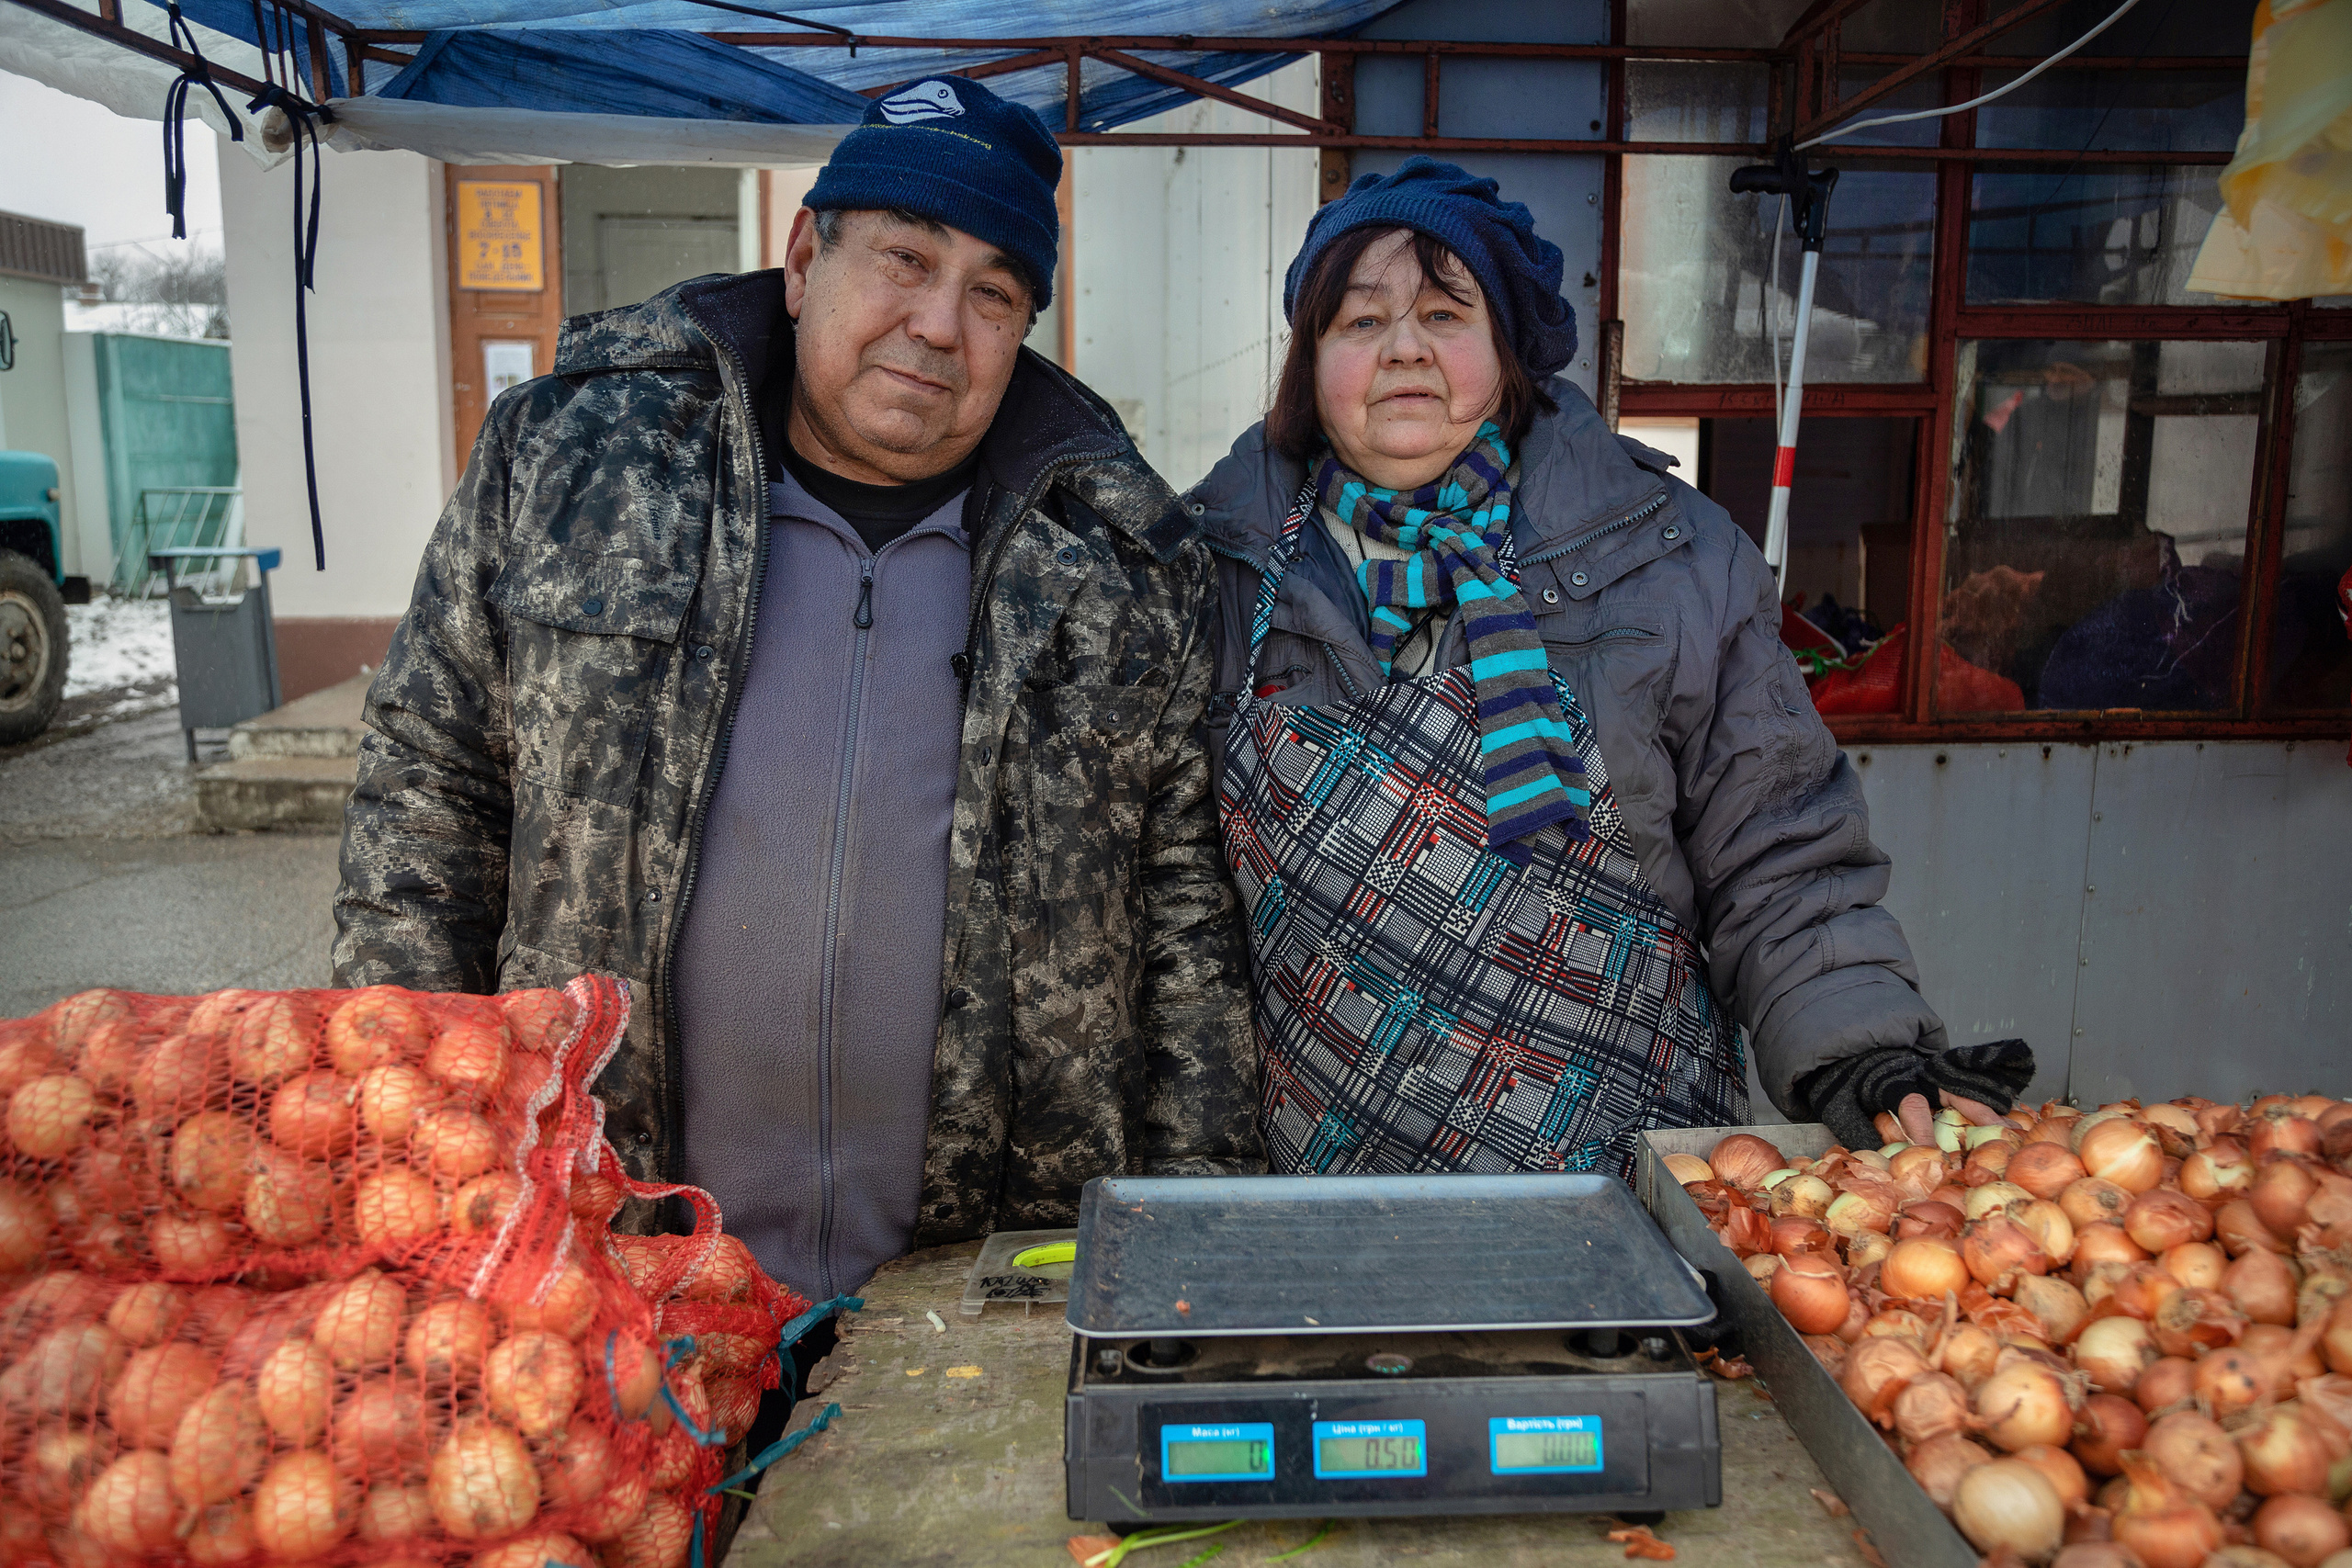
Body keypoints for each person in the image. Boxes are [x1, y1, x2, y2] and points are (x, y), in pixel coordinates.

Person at [334, 76, 1258, 1353]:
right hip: (604, 1278)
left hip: (976, 1305)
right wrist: (421, 1150)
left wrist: (1192, 1230)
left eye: (993, 293)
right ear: (805, 254)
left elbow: (1184, 920)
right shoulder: (578, 461)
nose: (938, 324)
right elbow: (426, 798)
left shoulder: (1113, 557)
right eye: (905, 259)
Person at [1192, 159, 2031, 1173]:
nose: (1405, 349)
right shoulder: (1211, 567)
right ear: (1309, 360)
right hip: (1322, 1187)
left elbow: (1775, 847)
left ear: (1508, 352)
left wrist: (1862, 1048)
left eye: (1448, 316)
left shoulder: (1670, 557)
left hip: (1627, 1170)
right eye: (1361, 322)